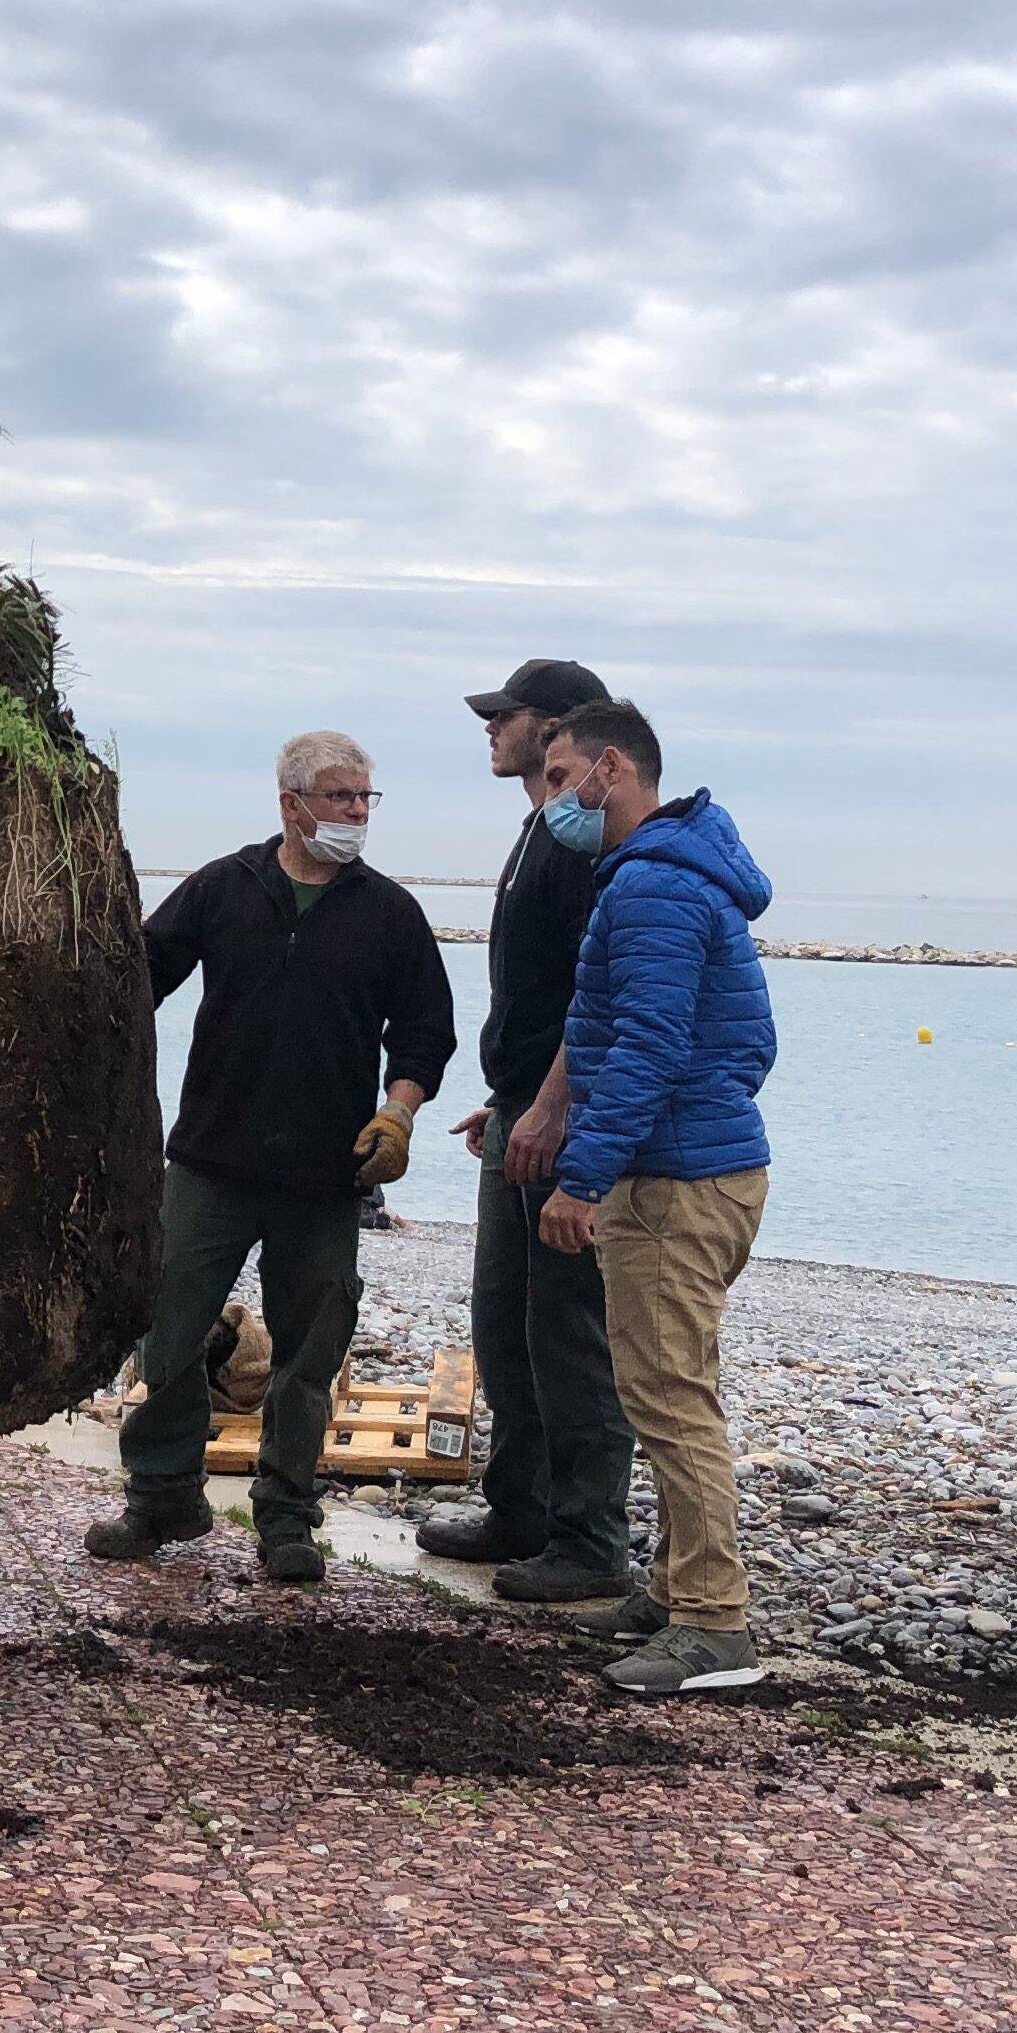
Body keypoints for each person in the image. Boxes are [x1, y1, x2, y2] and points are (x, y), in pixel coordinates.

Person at [95, 730, 454, 1585]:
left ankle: (287, 1517)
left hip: (327, 1179)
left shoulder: (389, 913)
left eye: (366, 799)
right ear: (290, 803)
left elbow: (425, 1035)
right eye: (340, 798)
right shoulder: (226, 887)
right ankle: (163, 1494)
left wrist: (398, 1116)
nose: (357, 814)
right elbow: (133, 979)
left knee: (308, 1354)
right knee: (165, 1329)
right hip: (212, 1160)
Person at [534, 699, 776, 1694]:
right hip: (693, 1165)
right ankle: (678, 1590)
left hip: (677, 1178)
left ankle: (715, 1626)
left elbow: (650, 1045)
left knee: (669, 1400)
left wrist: (580, 1175)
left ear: (612, 769)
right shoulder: (671, 870)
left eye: (560, 780)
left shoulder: (655, 889)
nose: (552, 802)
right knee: (670, 1383)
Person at [428, 659, 639, 1607]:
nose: (490, 729)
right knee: (503, 1323)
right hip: (522, 1105)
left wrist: (556, 1107)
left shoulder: (581, 847)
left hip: (566, 1116)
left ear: (556, 730)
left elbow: (596, 1000)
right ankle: (518, 1508)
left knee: (566, 1332)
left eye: (503, 716)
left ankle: (590, 1535)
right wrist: (507, 1095)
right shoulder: (538, 833)